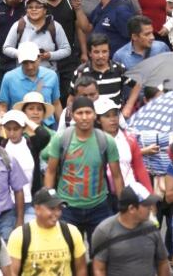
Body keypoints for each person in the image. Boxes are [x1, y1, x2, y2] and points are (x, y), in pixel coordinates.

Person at [41, 97, 123, 242]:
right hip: (67, 207)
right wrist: (50, 201)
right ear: (73, 116)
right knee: (69, 254)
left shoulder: (106, 141)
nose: (84, 117)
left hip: (99, 206)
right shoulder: (61, 139)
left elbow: (117, 175)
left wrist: (123, 205)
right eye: (79, 113)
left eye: (88, 112)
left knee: (100, 255)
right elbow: (51, 171)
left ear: (95, 115)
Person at [90, 183, 169, 276]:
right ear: (131, 208)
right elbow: (99, 269)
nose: (150, 208)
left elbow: (163, 262)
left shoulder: (151, 228)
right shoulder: (104, 232)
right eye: (146, 205)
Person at [6, 188, 86, 276]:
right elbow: (12, 272)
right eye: (52, 209)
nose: (56, 213)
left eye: (59, 208)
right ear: (37, 209)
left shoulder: (72, 232)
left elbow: (81, 269)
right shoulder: (19, 236)